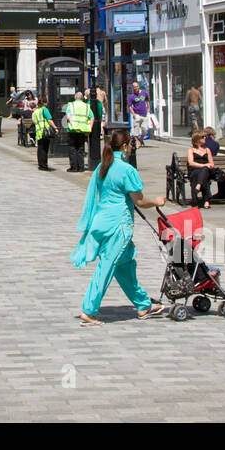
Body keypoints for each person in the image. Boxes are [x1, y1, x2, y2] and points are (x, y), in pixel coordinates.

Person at [72, 130, 167, 325]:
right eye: (131, 144)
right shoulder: (126, 170)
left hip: (101, 222)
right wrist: (157, 201)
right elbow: (139, 201)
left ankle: (142, 304)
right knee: (107, 266)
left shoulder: (102, 166)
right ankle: (88, 310)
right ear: (124, 147)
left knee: (125, 266)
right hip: (118, 225)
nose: (132, 148)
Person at [63, 90, 94, 172]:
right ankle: (81, 167)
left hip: (72, 129)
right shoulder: (87, 106)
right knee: (80, 148)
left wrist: (72, 123)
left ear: (75, 97)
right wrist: (89, 128)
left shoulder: (71, 105)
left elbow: (68, 117)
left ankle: (74, 167)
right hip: (82, 130)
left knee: (72, 148)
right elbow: (92, 117)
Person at [186, 130, 215, 209]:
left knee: (204, 170)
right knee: (203, 173)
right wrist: (203, 165)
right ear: (197, 139)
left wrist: (206, 166)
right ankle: (206, 200)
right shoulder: (191, 150)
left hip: (207, 170)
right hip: (195, 170)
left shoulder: (207, 150)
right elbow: (191, 163)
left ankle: (198, 186)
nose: (205, 138)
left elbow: (211, 163)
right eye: (203, 137)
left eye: (205, 136)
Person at [33, 96, 58, 170]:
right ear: (44, 103)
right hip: (45, 131)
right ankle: (44, 165)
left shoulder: (36, 111)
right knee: (45, 149)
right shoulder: (45, 110)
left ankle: (40, 164)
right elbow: (49, 120)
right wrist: (55, 127)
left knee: (40, 149)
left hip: (39, 132)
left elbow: (34, 121)